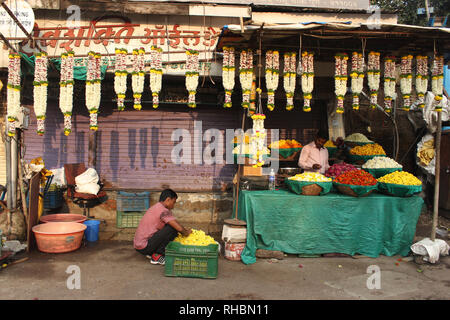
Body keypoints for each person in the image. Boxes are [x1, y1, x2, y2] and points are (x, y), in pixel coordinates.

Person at [134, 189, 192, 265]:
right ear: (168, 200)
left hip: (138, 245)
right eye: (173, 202)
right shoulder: (163, 211)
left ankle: (152, 252)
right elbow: (178, 228)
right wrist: (186, 233)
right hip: (145, 246)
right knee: (173, 229)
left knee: (171, 227)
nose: (173, 206)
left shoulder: (156, 207)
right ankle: (157, 255)